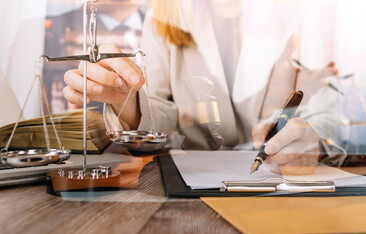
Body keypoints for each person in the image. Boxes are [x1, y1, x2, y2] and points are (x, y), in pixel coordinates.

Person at [63, 0, 345, 174]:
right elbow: (160, 113)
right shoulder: (163, 16)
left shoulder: (304, 10)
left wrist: (314, 142)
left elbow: (328, 113)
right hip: (192, 185)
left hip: (283, 182)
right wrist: (129, 101)